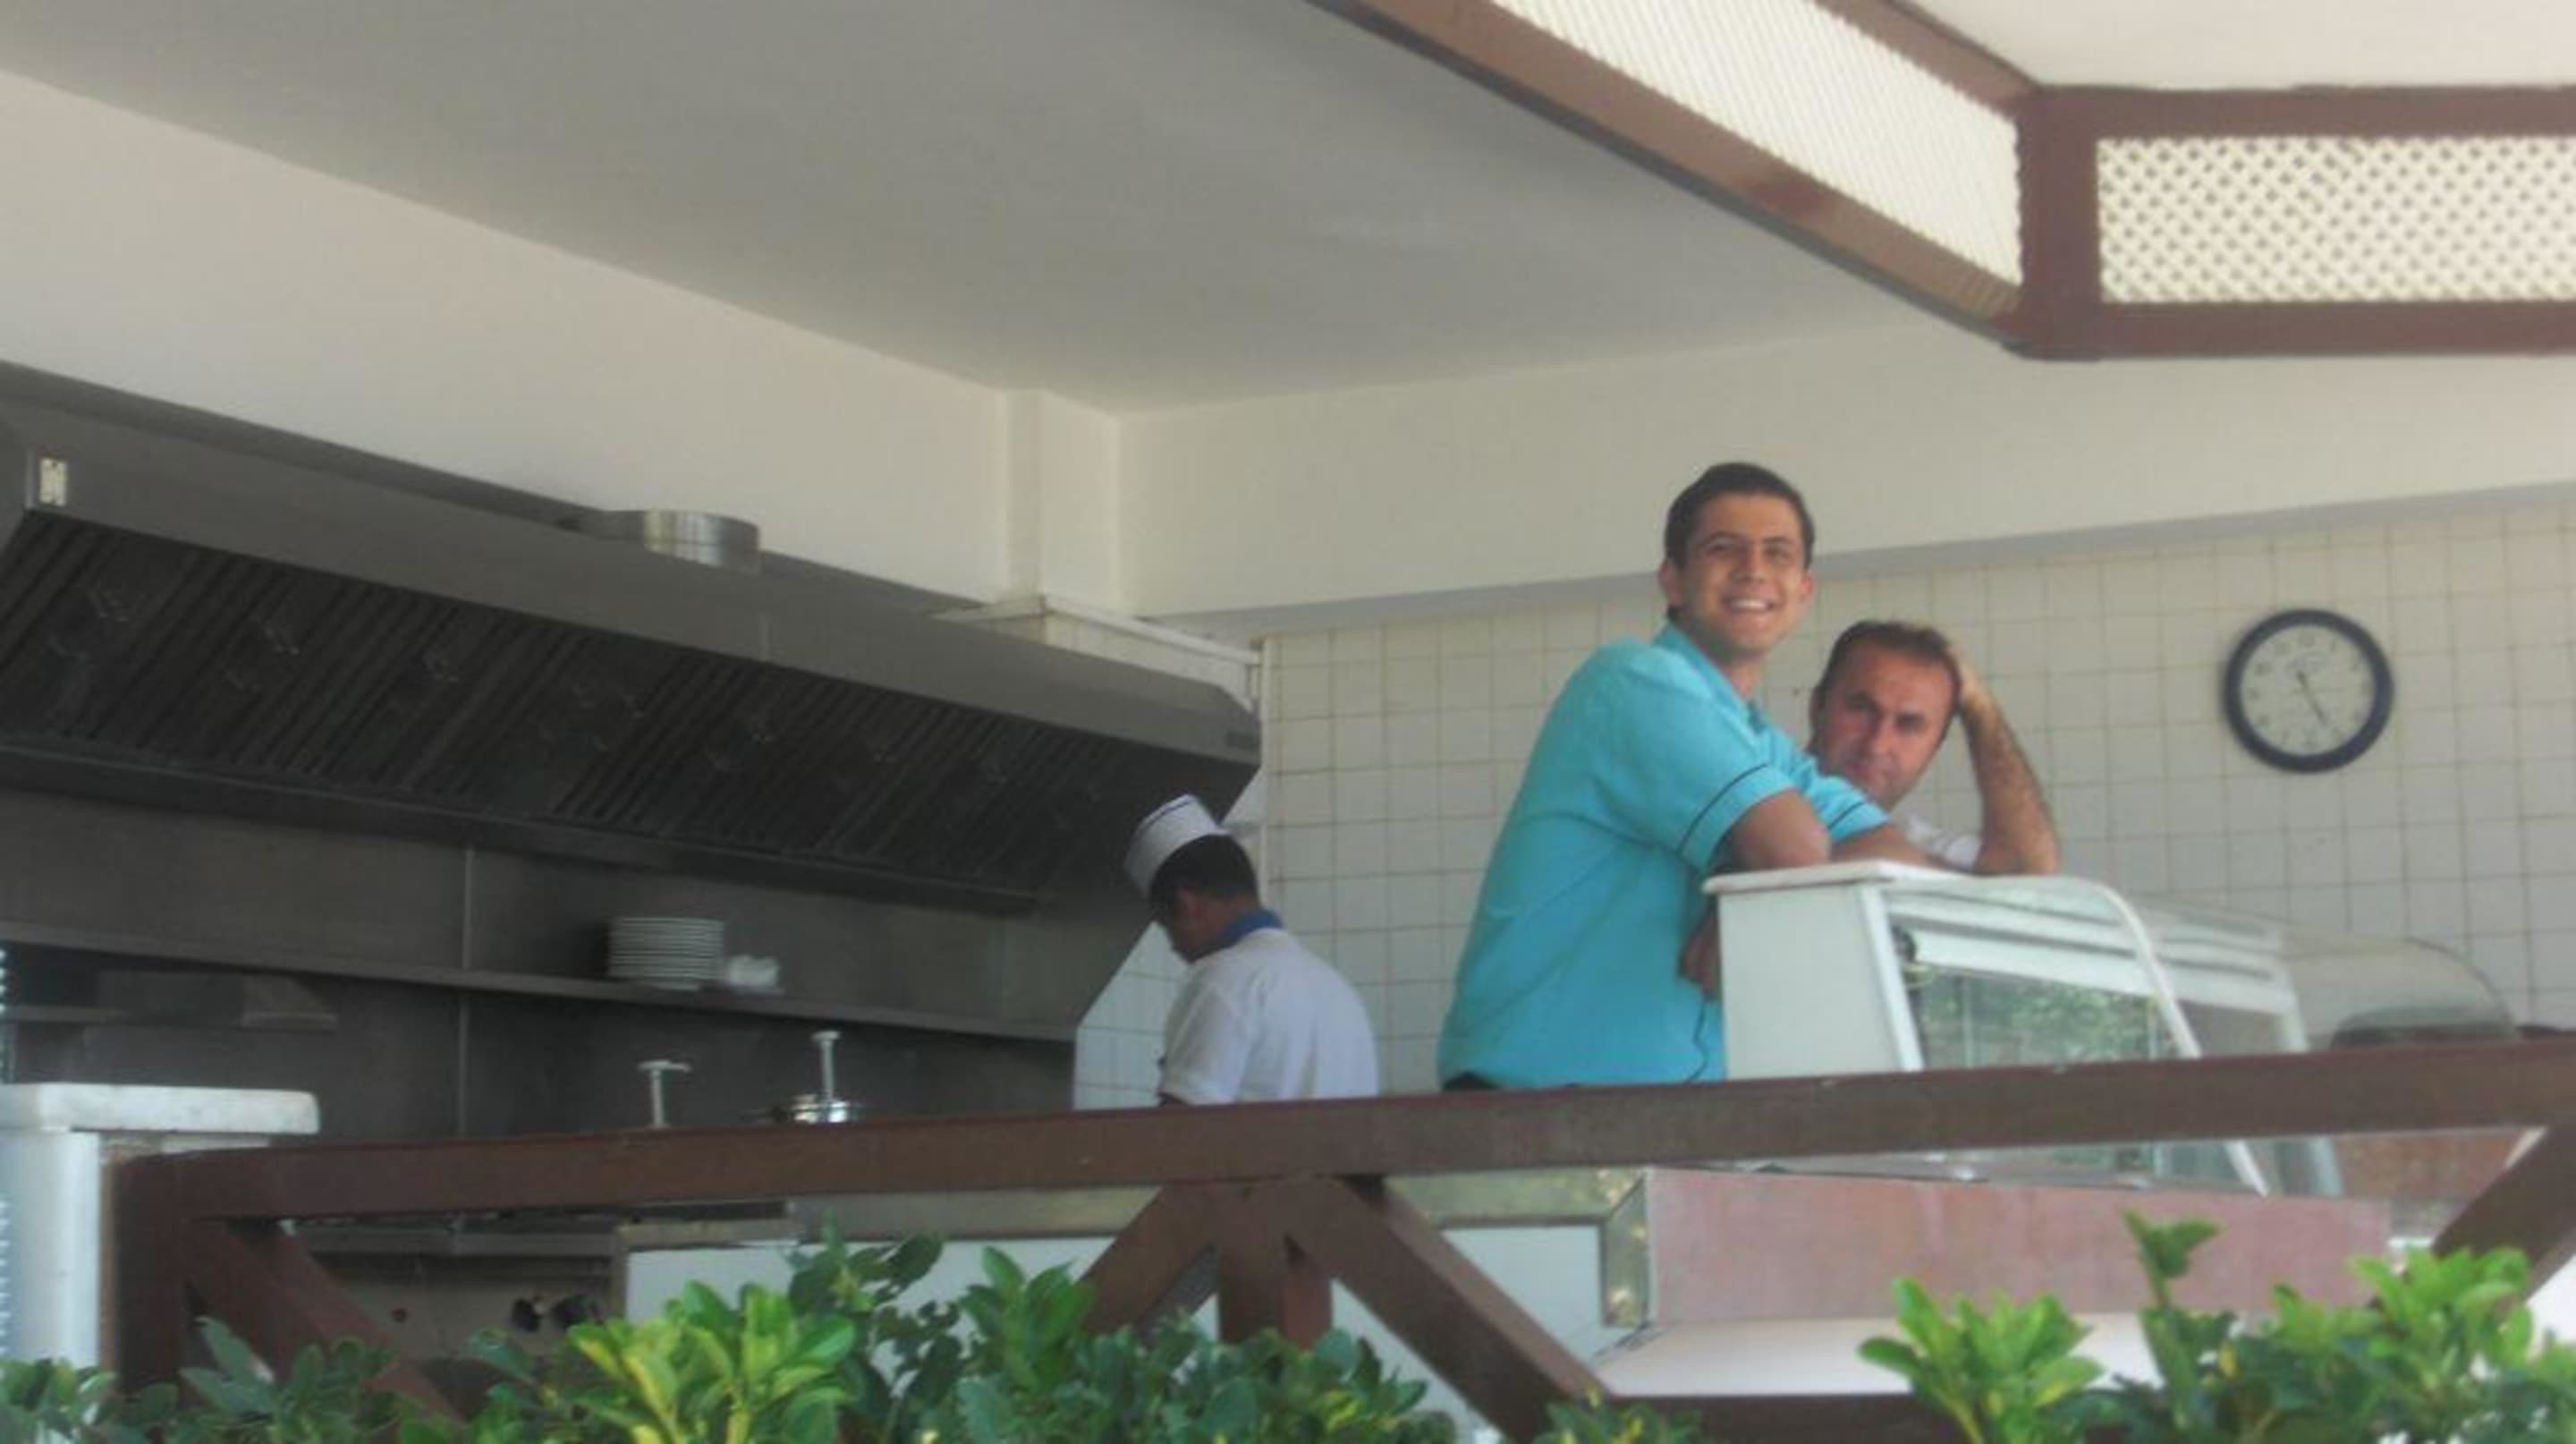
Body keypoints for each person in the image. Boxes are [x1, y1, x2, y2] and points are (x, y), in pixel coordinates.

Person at [1436, 463, 1928, 1091]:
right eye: (1723, 548)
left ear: (1804, 590)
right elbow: (1794, 848)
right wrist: (1759, 887)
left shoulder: (1758, 742)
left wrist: (1741, 904)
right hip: (1537, 1114)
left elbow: (1892, 852)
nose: (1753, 570)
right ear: (1672, 578)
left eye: (1777, 553)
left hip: (1660, 1117)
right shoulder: (1632, 680)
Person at [1123, 794, 1378, 1105]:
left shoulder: (1222, 978)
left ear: (1187, 905)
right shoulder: (1338, 990)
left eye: (1167, 928)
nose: (1174, 947)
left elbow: (1183, 1124)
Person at [1807, 621, 2060, 876]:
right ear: (1817, 707)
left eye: (1909, 725)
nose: (1877, 745)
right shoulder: (1775, 801)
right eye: (1861, 710)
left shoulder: (1919, 846)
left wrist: (1980, 709)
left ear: (1936, 744)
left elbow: (2028, 871)